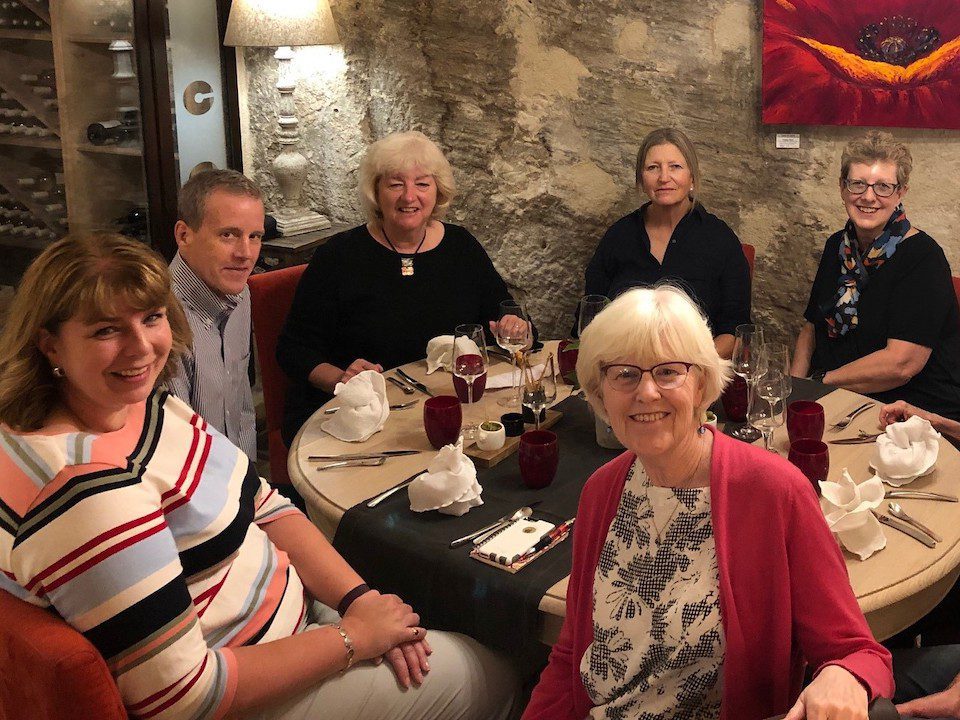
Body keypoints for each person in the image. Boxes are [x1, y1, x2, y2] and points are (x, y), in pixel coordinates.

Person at [0, 233, 518, 720]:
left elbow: (263, 502)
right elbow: (184, 697)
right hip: (248, 689)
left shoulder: (141, 405)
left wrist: (358, 602)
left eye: (152, 317)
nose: (142, 348)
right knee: (499, 672)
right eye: (105, 330)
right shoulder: (91, 495)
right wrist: (354, 639)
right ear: (49, 345)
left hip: (294, 624)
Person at [522, 285, 892, 720]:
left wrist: (844, 676)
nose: (646, 392)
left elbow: (860, 653)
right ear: (600, 391)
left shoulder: (774, 491)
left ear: (700, 384)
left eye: (667, 372)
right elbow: (572, 656)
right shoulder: (602, 490)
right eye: (624, 374)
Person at [277, 130, 527, 444]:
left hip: (446, 408)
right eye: (396, 184)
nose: (409, 197)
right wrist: (341, 379)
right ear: (376, 191)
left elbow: (502, 319)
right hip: (359, 417)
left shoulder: (461, 247)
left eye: (422, 183)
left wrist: (515, 328)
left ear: (438, 190)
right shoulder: (340, 256)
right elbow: (294, 349)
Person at [791, 131, 960, 422]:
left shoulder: (924, 258)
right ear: (842, 188)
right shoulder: (837, 245)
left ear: (901, 192)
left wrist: (819, 382)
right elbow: (811, 328)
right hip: (840, 397)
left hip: (908, 410)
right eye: (857, 184)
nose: (868, 197)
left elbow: (901, 364)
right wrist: (792, 391)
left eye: (883, 186)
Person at [582, 127, 751, 358]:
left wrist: (691, 364)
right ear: (641, 179)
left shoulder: (720, 239)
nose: (664, 177)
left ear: (691, 177)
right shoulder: (618, 236)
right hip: (624, 367)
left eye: (675, 167)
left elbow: (735, 329)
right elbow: (592, 315)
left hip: (695, 371)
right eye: (653, 168)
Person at [167, 169, 263, 460]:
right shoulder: (159, 320)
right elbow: (174, 450)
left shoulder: (240, 292)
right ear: (184, 235)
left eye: (254, 236)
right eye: (228, 235)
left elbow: (240, 411)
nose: (245, 253)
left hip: (240, 479)